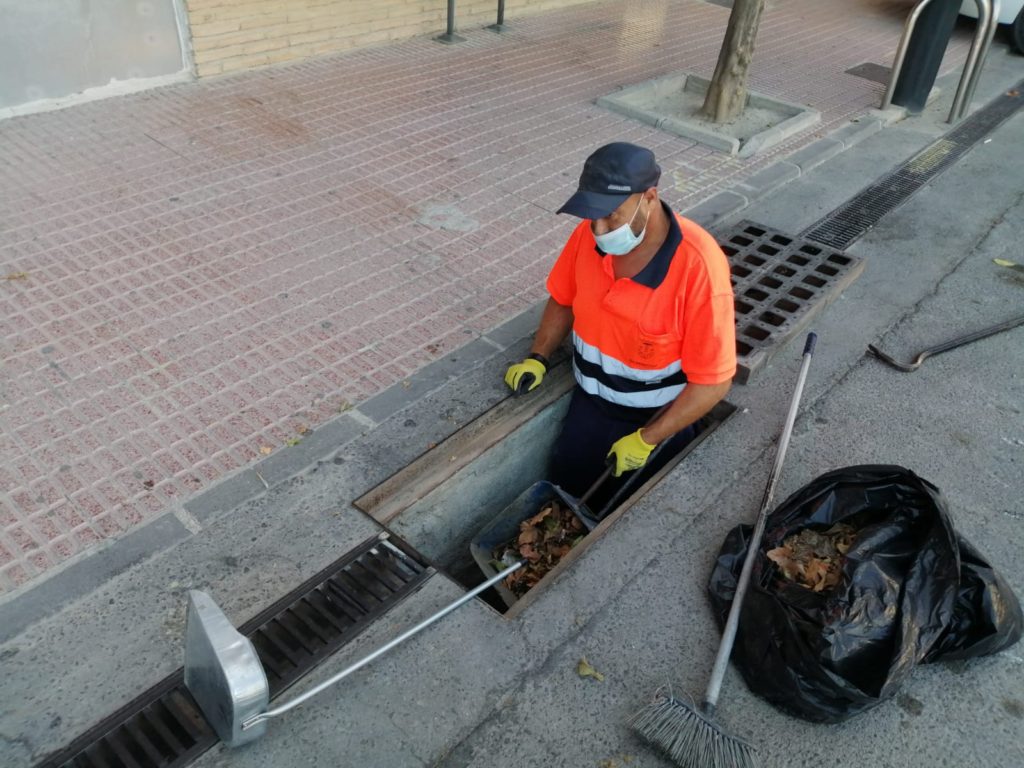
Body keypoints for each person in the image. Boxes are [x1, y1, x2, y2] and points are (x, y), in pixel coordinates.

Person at [504, 142, 736, 515]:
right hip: (591, 401)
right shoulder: (588, 235)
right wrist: (538, 356)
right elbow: (563, 298)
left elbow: (713, 382)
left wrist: (648, 439)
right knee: (566, 487)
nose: (599, 230)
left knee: (633, 511)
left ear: (649, 198)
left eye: (611, 216)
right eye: (592, 217)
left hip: (657, 415)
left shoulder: (699, 268)